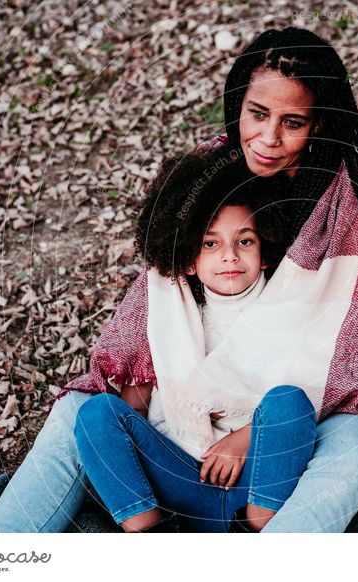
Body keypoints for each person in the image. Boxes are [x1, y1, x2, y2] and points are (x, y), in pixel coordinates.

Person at [0, 27, 358, 534]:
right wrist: (142, 385)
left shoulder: (350, 206)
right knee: (75, 416)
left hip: (297, 419)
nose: (268, 138)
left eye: (293, 122)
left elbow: (348, 361)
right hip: (187, 407)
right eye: (257, 114)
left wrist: (252, 432)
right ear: (238, 105)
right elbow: (160, 295)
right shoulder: (208, 173)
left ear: (320, 123)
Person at [75, 154, 316, 532]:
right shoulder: (171, 318)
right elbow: (130, 412)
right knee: (96, 415)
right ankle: (151, 534)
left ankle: (257, 532)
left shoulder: (285, 310)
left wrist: (244, 438)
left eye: (245, 240)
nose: (229, 256)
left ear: (266, 251)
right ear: (187, 260)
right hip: (179, 480)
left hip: (255, 481)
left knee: (289, 401)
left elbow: (319, 393)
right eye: (209, 244)